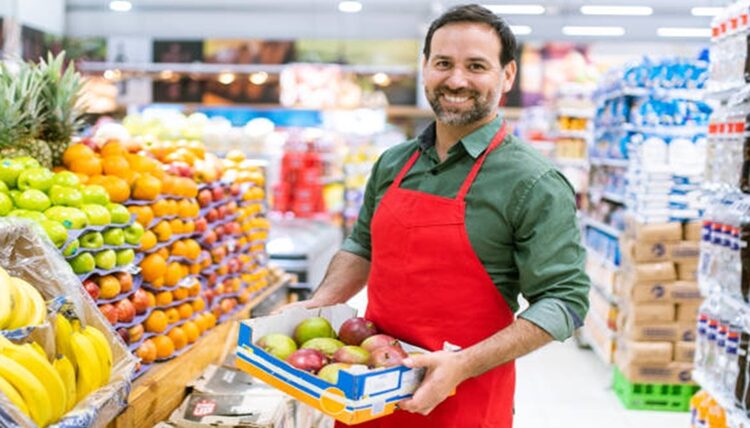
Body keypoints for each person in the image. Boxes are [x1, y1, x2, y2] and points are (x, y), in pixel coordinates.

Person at [292, 4, 590, 427]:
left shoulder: (533, 181)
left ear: (507, 76)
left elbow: (565, 300)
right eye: (443, 63)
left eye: (476, 66)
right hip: (367, 391)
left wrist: (464, 364)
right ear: (425, 68)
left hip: (463, 399)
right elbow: (362, 245)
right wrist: (319, 306)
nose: (456, 80)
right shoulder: (393, 164)